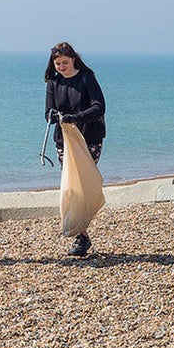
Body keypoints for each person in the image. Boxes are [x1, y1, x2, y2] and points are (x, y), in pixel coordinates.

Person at [44, 42, 106, 256]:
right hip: (65, 142)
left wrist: (76, 118)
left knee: (85, 184)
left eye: (65, 63)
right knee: (71, 187)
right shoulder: (52, 83)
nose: (62, 67)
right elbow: (48, 113)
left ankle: (83, 223)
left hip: (89, 138)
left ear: (74, 60)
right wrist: (53, 117)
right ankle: (82, 236)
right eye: (58, 63)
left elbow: (99, 107)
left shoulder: (87, 78)